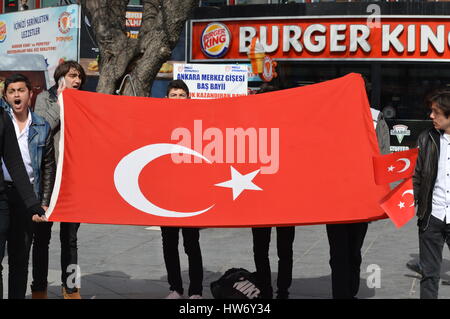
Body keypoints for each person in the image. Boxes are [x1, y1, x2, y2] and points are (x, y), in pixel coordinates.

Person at [32, 60, 86, 299]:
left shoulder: (85, 101)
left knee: (71, 239)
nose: (77, 81)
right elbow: (42, 127)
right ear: (61, 77)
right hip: (49, 179)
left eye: (79, 77)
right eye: (73, 75)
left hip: (74, 179)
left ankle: (71, 287)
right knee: (42, 238)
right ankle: (39, 287)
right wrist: (63, 100)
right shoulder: (46, 98)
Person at [325, 103, 390, 299]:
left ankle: (350, 290)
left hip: (361, 199)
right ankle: (340, 294)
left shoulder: (375, 118)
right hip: (335, 199)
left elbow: (384, 156)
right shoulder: (330, 114)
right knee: (337, 253)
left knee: (354, 250)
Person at [1, 74, 55, 299]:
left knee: (20, 257)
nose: (16, 95)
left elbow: (17, 163)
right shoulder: (6, 118)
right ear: (5, 96)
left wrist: (37, 204)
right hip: (2, 195)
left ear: (30, 93)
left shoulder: (41, 126)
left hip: (25, 195)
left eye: (21, 90)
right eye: (11, 91)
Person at [251, 84, 295, 299]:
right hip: (259, 198)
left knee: (284, 250)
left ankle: (282, 290)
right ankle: (266, 288)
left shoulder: (290, 129)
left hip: (285, 199)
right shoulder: (252, 131)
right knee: (261, 249)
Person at [161, 79, 203, 299]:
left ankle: (196, 290)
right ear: (166, 98)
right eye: (173, 95)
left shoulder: (198, 122)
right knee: (169, 243)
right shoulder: (157, 122)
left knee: (191, 243)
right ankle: (175, 288)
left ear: (189, 98)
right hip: (165, 194)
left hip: (190, 195)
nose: (177, 99)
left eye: (181, 95)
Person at [413, 89, 450, 299]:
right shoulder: (426, 138)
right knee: (429, 275)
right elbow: (416, 175)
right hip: (432, 217)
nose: (431, 116)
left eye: (436, 112)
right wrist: (408, 197)